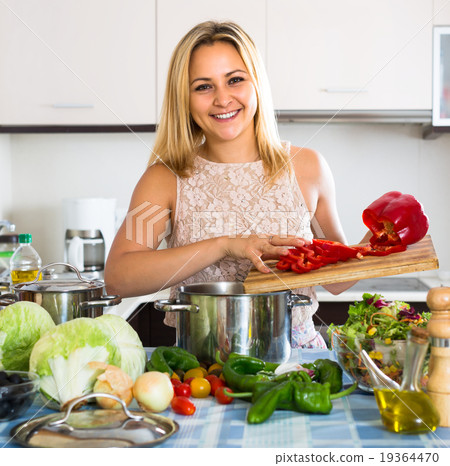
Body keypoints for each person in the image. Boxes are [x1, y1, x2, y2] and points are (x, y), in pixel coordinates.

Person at [105, 20, 368, 348]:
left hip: (296, 362)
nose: (222, 98)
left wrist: (380, 241)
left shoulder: (308, 167)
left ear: (256, 83)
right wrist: (223, 244)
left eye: (235, 80)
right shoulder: (164, 179)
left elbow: (338, 281)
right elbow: (119, 277)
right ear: (183, 99)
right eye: (203, 86)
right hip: (202, 367)